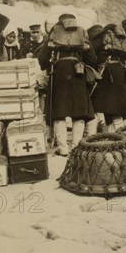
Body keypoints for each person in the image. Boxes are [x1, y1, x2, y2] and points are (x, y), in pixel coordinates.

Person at [39, 14, 96, 156]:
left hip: (59, 72)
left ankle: (63, 148)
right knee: (79, 112)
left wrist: (46, 65)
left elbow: (43, 58)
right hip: (78, 71)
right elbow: (92, 59)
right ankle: (76, 147)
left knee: (59, 111)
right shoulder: (81, 32)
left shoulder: (55, 32)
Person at [86, 24, 126, 134]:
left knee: (100, 107)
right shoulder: (117, 41)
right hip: (120, 73)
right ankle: (118, 134)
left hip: (106, 75)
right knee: (116, 107)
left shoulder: (96, 40)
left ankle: (105, 135)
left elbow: (91, 58)